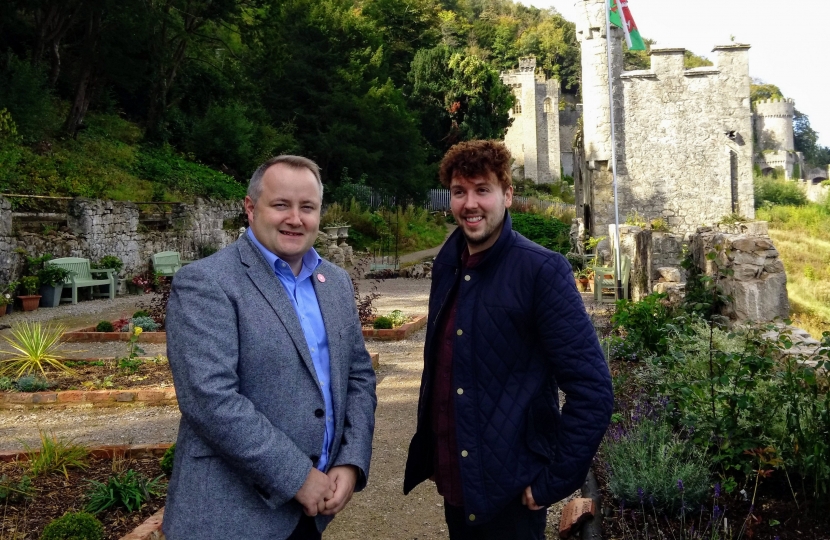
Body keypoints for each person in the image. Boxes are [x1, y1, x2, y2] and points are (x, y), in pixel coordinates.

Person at [403, 140, 613, 539]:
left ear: (507, 194)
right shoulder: (448, 263)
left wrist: (553, 481)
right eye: (460, 191)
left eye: (482, 189)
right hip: (458, 484)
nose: (470, 203)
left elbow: (593, 389)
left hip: (511, 494)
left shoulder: (541, 271)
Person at [163, 155, 377, 540]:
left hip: (307, 518)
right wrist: (296, 477)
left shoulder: (336, 283)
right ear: (250, 207)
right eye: (281, 205)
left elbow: (358, 376)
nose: (295, 219)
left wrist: (351, 460)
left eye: (307, 207)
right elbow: (209, 400)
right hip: (229, 519)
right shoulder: (206, 283)